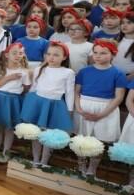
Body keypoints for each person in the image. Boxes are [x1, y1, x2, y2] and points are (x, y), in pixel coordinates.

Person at [74, 39, 127, 176]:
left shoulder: (118, 73)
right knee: (83, 138)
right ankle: (81, 164)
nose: (98, 56)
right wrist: (79, 109)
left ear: (113, 54)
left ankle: (92, 168)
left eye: (103, 53)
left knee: (98, 140)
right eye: (95, 52)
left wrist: (102, 114)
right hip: (85, 106)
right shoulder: (84, 71)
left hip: (106, 108)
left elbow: (119, 97)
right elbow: (77, 92)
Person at [20, 42, 75, 167]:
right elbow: (34, 87)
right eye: (48, 54)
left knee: (49, 134)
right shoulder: (40, 69)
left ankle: (44, 161)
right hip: (37, 103)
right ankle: (35, 159)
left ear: (64, 57)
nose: (51, 57)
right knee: (36, 133)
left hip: (54, 105)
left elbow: (70, 93)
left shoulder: (68, 72)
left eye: (56, 55)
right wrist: (29, 103)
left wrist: (70, 110)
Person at [0, 43, 31, 163]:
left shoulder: (24, 72)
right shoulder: (0, 69)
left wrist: (19, 92)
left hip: (14, 101)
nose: (17, 56)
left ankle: (6, 152)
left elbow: (26, 88)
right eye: (14, 53)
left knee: (10, 128)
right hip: (0, 99)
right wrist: (9, 77)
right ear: (7, 55)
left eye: (20, 53)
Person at [113, 11, 134, 80]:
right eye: (122, 23)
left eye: (129, 23)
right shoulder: (116, 40)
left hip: (129, 79)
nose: (124, 25)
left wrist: (127, 78)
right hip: (113, 75)